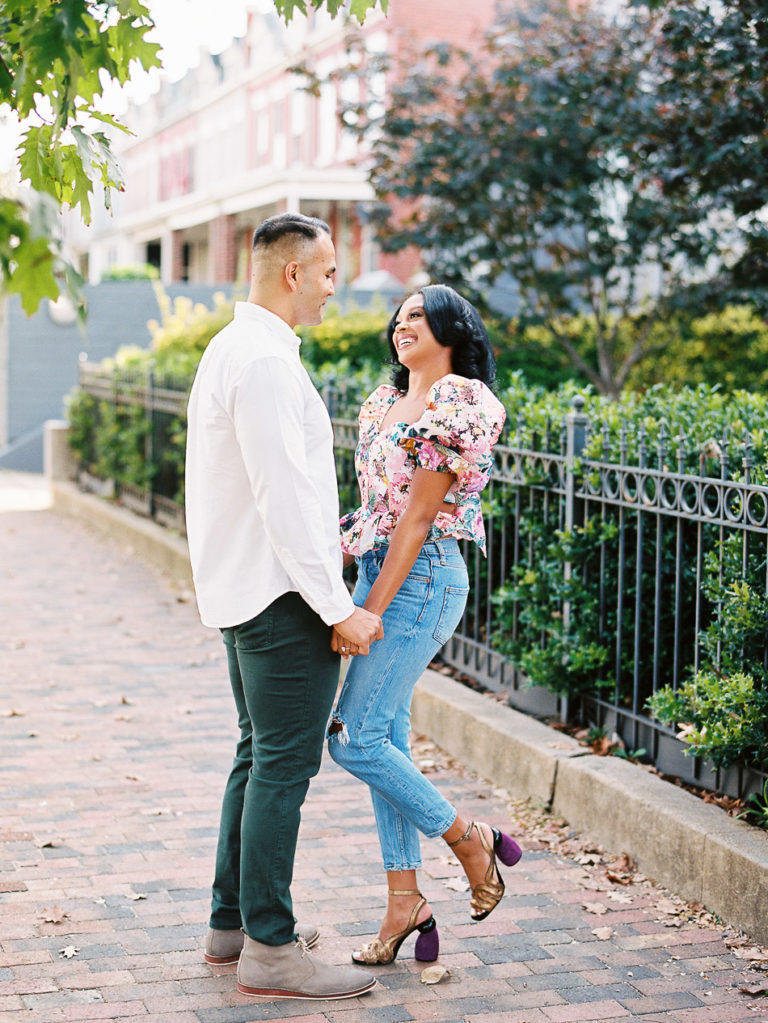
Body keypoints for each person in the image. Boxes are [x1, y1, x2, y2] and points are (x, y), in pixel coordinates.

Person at [184, 212, 382, 1000]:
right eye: (330, 271)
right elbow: (286, 499)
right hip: (280, 597)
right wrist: (338, 607)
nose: (337, 285)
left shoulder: (236, 349)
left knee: (255, 755)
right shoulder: (262, 360)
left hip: (249, 590)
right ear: (291, 273)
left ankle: (230, 925)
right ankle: (271, 948)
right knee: (281, 767)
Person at [327, 284, 522, 966]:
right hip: (377, 568)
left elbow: (416, 519)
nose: (403, 323)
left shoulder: (459, 403)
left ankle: (470, 837)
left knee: (352, 740)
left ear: (452, 328)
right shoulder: (385, 403)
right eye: (400, 315)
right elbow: (375, 510)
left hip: (420, 578)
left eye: (420, 314)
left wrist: (369, 612)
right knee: (388, 743)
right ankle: (404, 898)